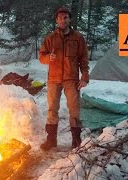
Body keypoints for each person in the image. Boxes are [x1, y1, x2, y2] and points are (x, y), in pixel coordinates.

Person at [38, 7, 89, 151]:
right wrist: (49, 58)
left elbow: (84, 59)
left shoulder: (78, 38)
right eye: (60, 18)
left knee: (74, 109)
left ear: (69, 19)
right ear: (56, 20)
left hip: (71, 80)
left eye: (65, 17)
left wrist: (84, 77)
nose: (63, 20)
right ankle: (51, 140)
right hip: (54, 79)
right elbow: (41, 57)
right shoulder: (50, 38)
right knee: (52, 109)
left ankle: (76, 141)